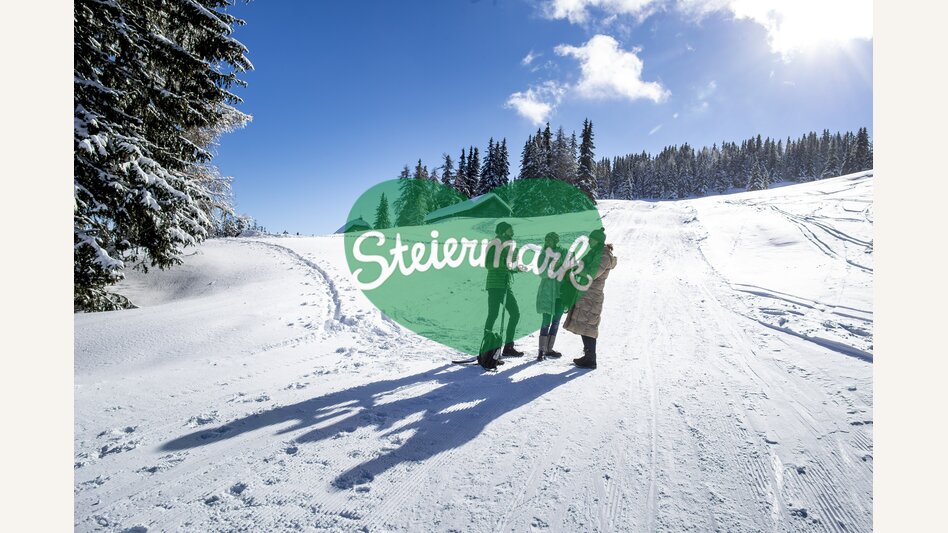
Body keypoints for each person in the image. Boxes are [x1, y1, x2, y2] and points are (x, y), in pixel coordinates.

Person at [562, 228, 617, 369]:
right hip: (585, 293)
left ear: (598, 241)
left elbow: (592, 273)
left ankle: (591, 358)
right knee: (585, 325)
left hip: (592, 295)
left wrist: (578, 269)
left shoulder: (604, 257)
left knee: (589, 325)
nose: (589, 242)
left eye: (591, 239)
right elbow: (582, 265)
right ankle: (588, 356)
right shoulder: (594, 253)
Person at [482, 221, 524, 362]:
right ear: (503, 230)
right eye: (509, 228)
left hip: (505, 284)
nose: (512, 230)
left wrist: (516, 268)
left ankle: (508, 346)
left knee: (514, 314)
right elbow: (488, 264)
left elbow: (511, 264)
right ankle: (486, 346)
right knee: (494, 314)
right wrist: (503, 264)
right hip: (495, 284)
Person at [535, 232, 565, 361]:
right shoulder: (542, 255)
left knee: (556, 321)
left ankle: (549, 349)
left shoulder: (562, 252)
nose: (548, 242)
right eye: (546, 239)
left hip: (559, 292)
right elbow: (541, 273)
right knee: (546, 321)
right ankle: (541, 351)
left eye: (551, 240)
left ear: (555, 241)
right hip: (547, 292)